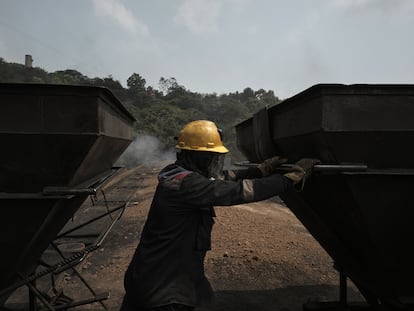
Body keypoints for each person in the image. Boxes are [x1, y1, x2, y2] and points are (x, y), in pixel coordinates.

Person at [120, 120, 319, 311]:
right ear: (198, 157)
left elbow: (223, 177)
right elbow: (240, 191)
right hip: (161, 291)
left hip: (150, 277)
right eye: (212, 157)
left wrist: (260, 170)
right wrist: (289, 179)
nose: (215, 161)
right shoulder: (188, 185)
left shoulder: (177, 173)